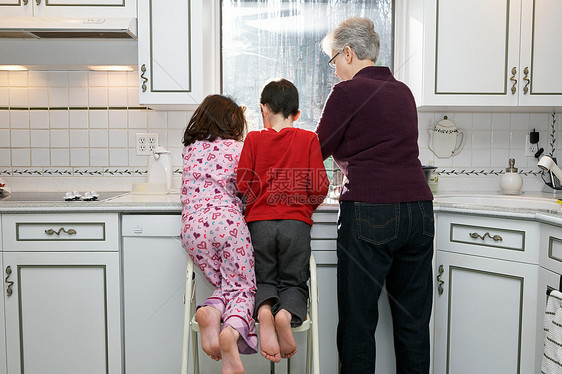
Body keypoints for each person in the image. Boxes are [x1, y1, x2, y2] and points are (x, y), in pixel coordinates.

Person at [316, 17, 434, 374]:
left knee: (357, 325)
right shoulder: (404, 91)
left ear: (348, 53)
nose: (334, 69)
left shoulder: (346, 92)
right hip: (419, 211)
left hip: (370, 211)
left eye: (333, 60)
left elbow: (315, 149)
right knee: (413, 325)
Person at [236, 78, 329, 363]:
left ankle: (264, 313)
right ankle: (286, 314)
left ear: (264, 110)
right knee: (294, 282)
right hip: (295, 225)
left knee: (262, 279)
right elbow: (320, 186)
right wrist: (302, 207)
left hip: (259, 225)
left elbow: (242, 183)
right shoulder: (309, 139)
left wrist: (259, 202)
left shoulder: (253, 139)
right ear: (297, 114)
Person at [180, 94, 257, 374]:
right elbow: (248, 188)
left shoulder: (190, 150)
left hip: (192, 229)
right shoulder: (238, 150)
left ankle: (211, 311)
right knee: (242, 288)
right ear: (233, 124)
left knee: (225, 284)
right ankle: (231, 335)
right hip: (227, 224)